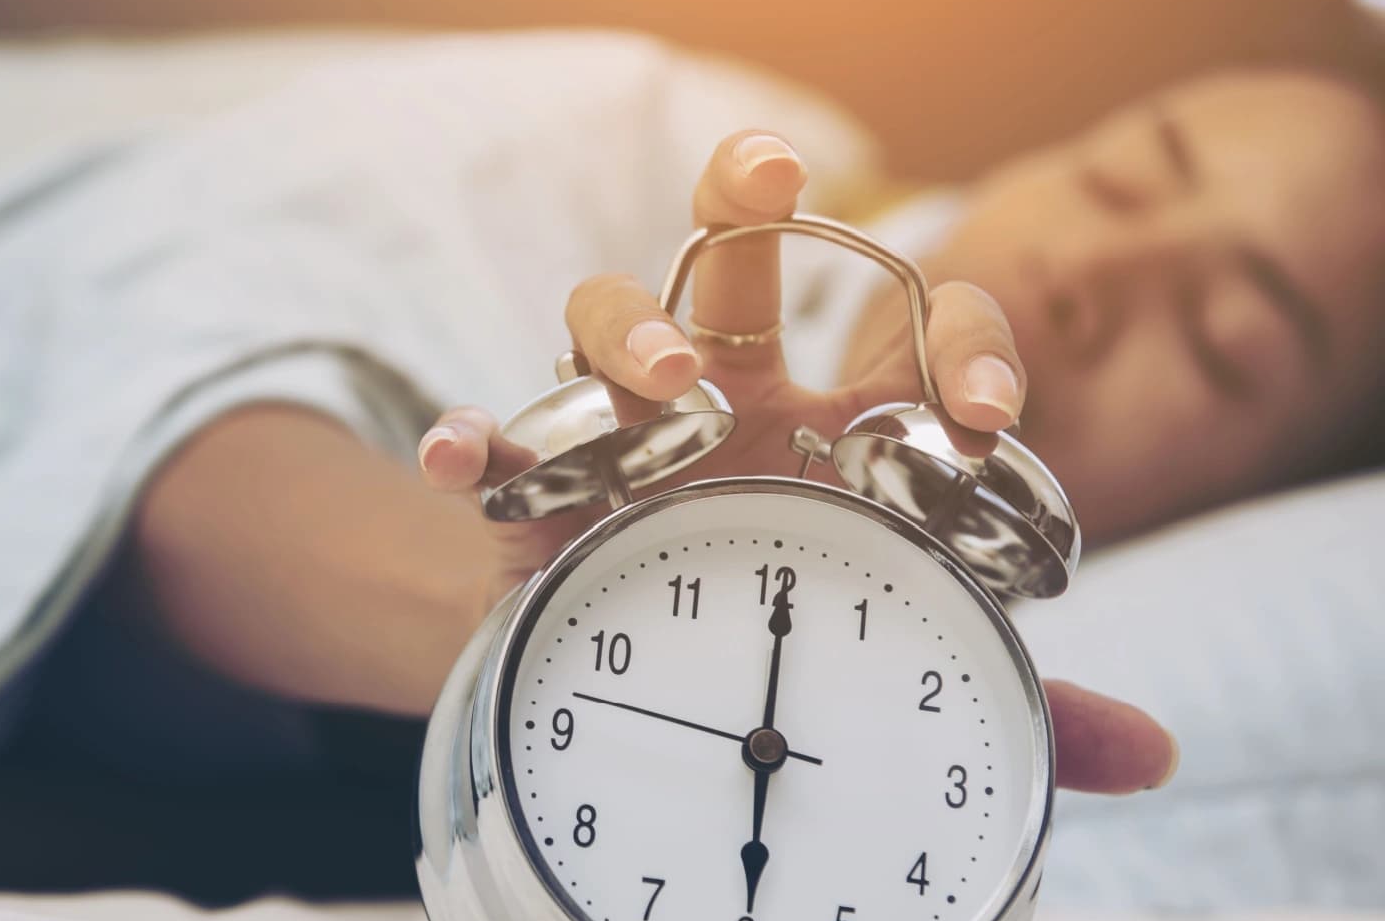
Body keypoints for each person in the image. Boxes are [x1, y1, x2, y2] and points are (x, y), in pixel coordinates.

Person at [128, 67, 1385, 799]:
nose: (1090, 270)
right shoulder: (623, 138)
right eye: (1118, 179)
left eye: (1224, 342)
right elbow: (171, 421)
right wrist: (559, 610)